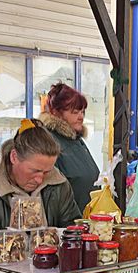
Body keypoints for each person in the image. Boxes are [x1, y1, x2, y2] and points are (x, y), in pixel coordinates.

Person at [0, 118, 80, 246]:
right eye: (34, 171)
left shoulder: (59, 183)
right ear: (14, 157)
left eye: (47, 171)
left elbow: (72, 228)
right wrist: (23, 247)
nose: (40, 179)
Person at [39, 82, 100, 214]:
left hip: (85, 221)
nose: (81, 117)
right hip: (66, 225)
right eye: (75, 112)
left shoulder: (76, 140)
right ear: (56, 113)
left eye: (83, 111)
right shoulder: (49, 141)